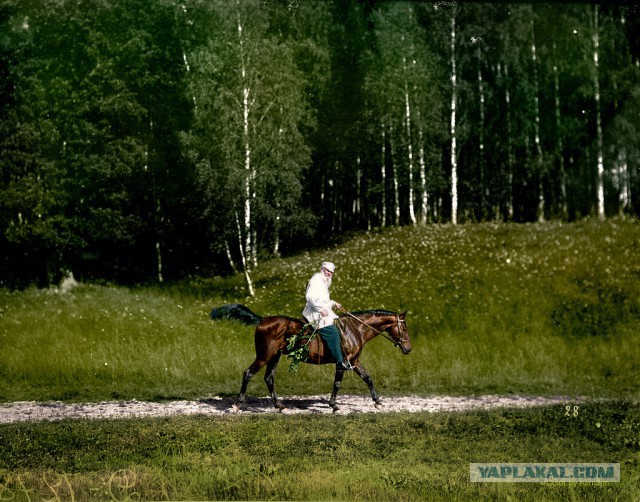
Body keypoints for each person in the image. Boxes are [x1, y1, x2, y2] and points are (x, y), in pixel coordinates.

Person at [302, 261, 353, 371]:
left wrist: (333, 303)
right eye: (328, 271)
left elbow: (323, 300)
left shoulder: (324, 282)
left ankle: (342, 354)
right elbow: (310, 297)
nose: (329, 274)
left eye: (331, 272)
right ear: (322, 269)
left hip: (324, 311)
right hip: (314, 312)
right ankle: (340, 362)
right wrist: (320, 309)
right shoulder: (316, 280)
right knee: (332, 332)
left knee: (340, 325)